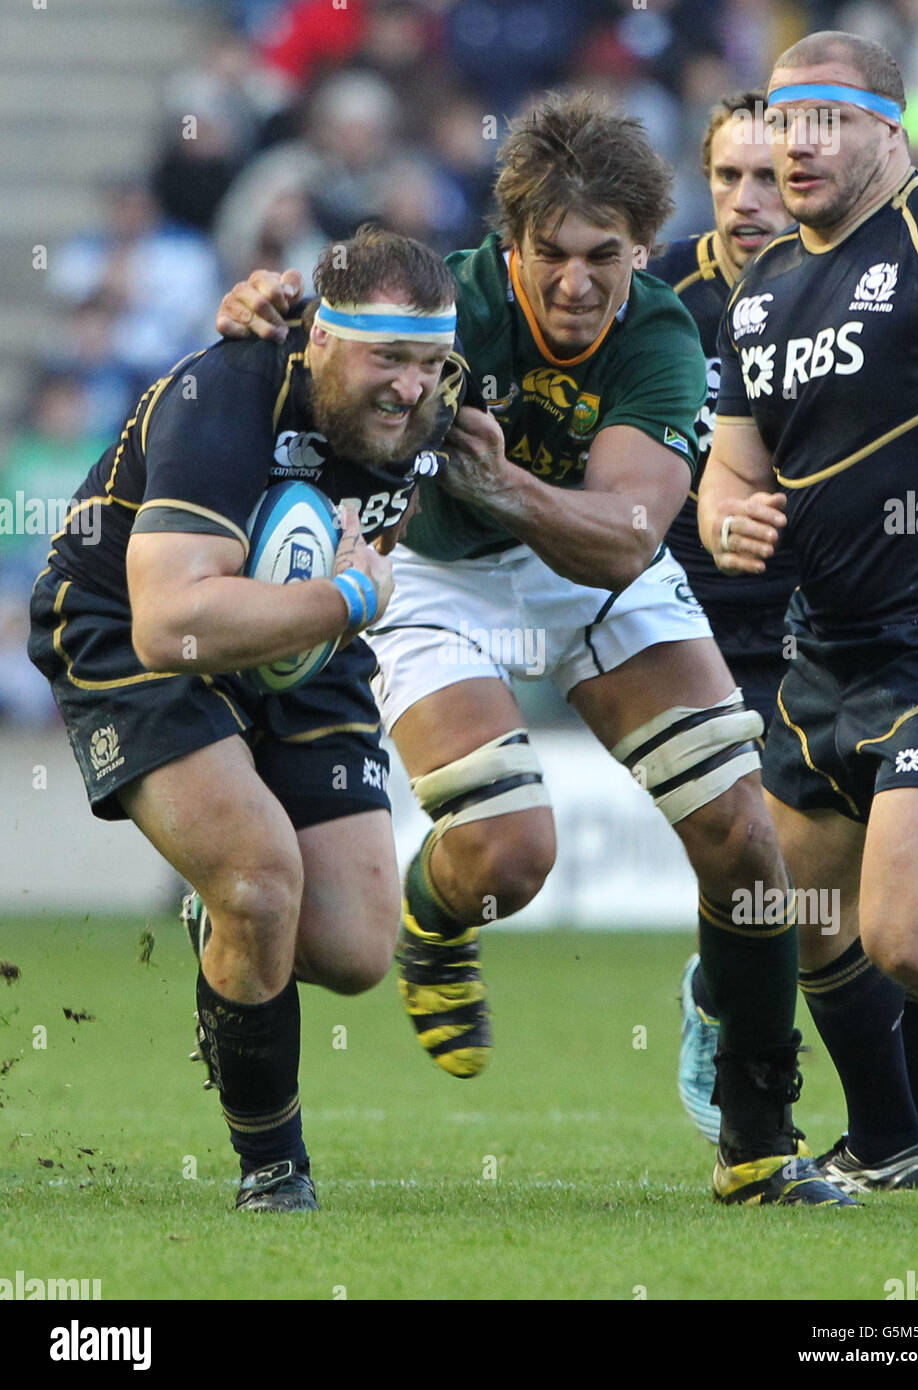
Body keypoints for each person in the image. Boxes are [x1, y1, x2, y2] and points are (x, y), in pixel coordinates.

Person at [219, 94, 853, 1206]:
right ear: (504, 244)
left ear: (640, 250)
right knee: (511, 857)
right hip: (431, 571)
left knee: (742, 834)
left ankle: (757, 1140)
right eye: (547, 254)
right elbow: (309, 347)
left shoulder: (659, 331)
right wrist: (264, 308)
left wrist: (503, 482)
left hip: (587, 554)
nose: (574, 283)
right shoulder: (443, 305)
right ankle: (432, 915)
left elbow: (623, 540)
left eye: (601, 256)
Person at [28, 226, 466, 1212]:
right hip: (130, 632)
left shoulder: (443, 400)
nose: (410, 387)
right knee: (261, 882)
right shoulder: (222, 394)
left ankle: (218, 915)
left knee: (354, 949)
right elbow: (171, 621)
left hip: (301, 636)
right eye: (385, 359)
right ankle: (273, 1170)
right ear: (318, 340)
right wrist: (352, 601)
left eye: (429, 363)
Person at [653, 90, 918, 1181]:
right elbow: (726, 472)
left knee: (911, 930)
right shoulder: (701, 293)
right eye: (732, 175)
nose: (756, 192)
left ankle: (908, 1123)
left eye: (783, 159)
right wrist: (717, 511)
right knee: (787, 911)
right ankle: (892, 1136)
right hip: (789, 642)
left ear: (876, 137)